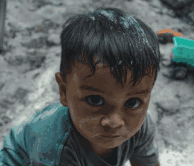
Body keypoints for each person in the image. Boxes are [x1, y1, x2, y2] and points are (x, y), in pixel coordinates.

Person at [0, 7, 160, 166]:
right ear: (63, 90)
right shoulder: (55, 149)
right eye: (95, 100)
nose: (114, 121)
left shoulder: (142, 127)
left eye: (132, 102)